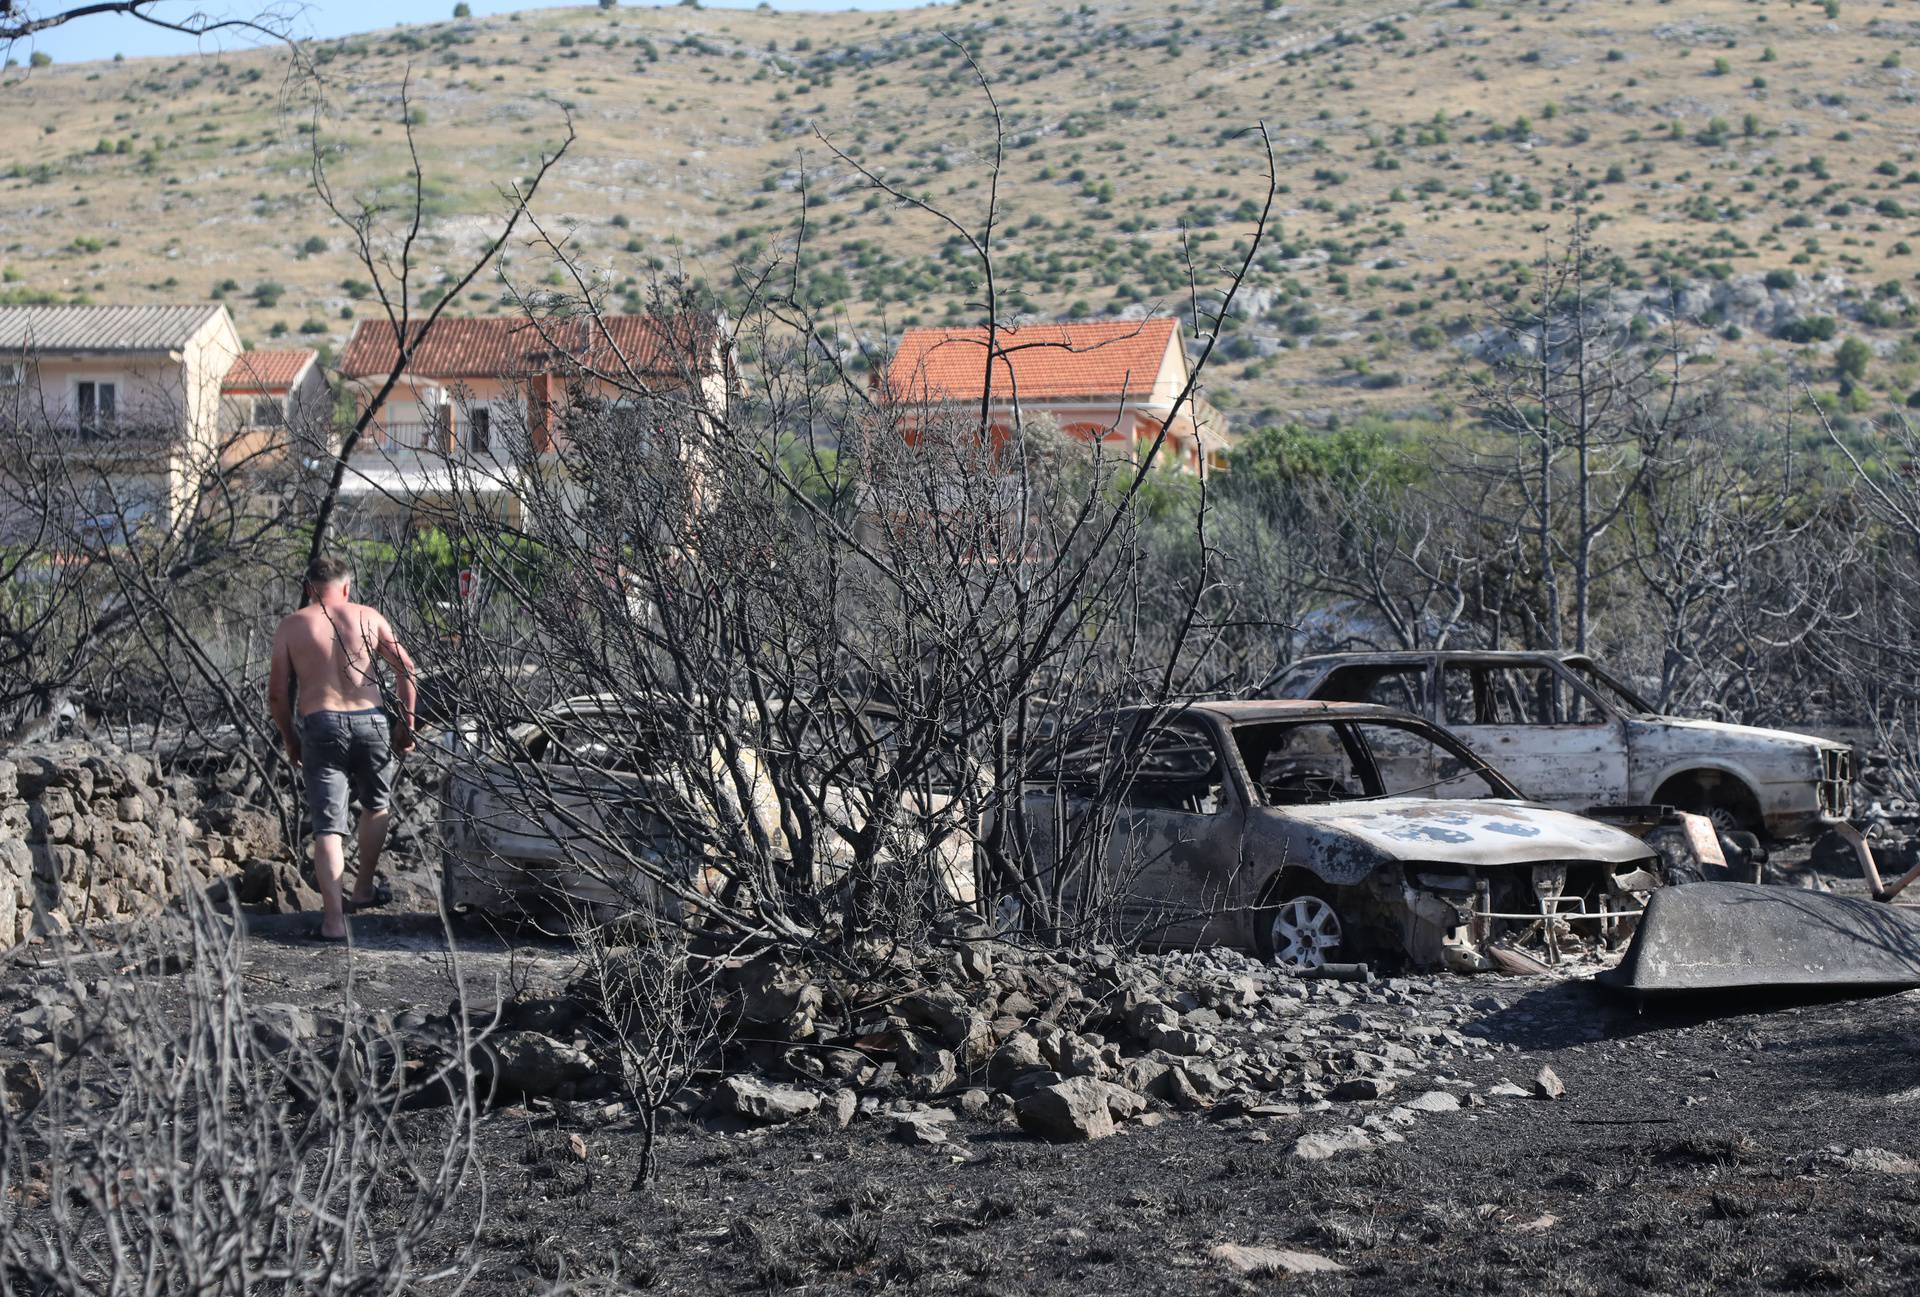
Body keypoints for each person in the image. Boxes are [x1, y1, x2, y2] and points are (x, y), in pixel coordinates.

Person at [268, 554, 418, 941]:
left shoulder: (293, 625)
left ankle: (334, 920)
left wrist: (291, 738)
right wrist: (407, 723)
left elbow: (277, 696)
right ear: (347, 587)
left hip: (321, 723)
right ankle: (363, 887)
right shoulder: (369, 616)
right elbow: (407, 668)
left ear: (308, 589)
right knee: (376, 805)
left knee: (328, 828)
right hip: (371, 720)